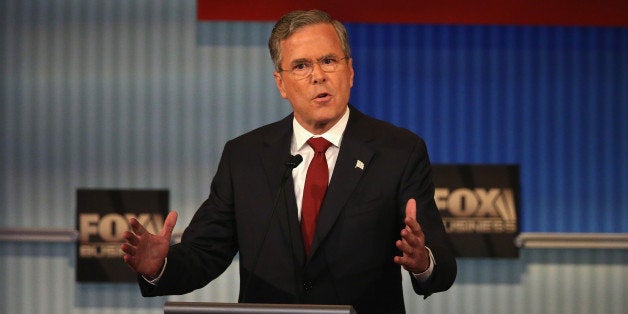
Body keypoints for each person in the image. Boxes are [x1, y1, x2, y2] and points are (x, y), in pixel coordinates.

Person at [121, 9, 456, 314]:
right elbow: (205, 253)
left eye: (329, 61)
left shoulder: (398, 151)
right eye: (301, 66)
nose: (318, 76)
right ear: (280, 83)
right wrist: (159, 266)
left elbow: (441, 264)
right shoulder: (246, 157)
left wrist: (422, 261)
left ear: (350, 71)